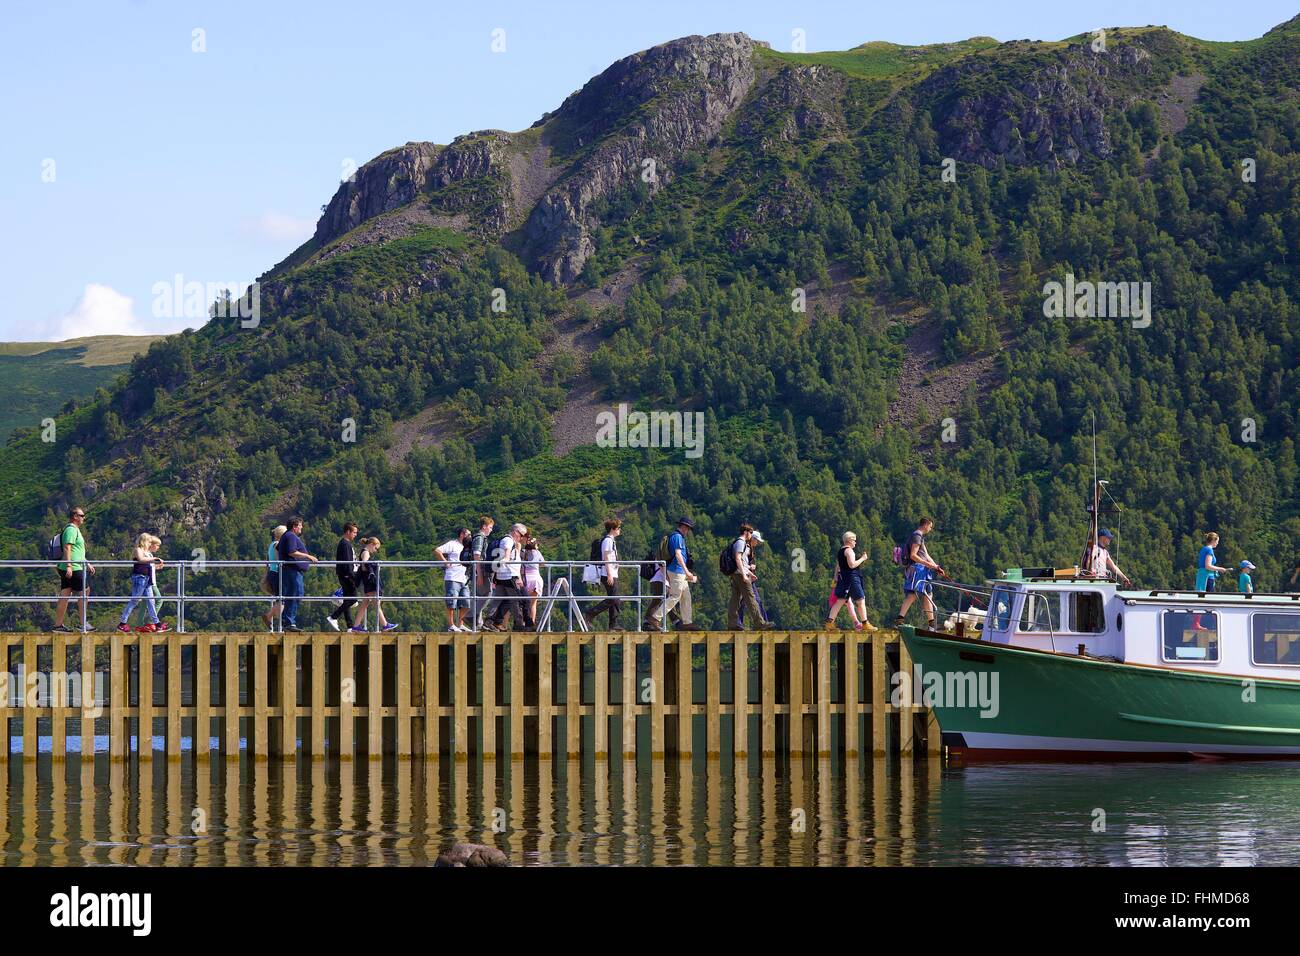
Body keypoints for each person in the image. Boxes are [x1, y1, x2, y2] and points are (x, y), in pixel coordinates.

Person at [646, 517, 699, 632]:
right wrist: (687, 572)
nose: (688, 531)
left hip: (678, 570)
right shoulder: (677, 537)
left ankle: (687, 622)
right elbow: (678, 555)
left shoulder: (675, 536)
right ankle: (655, 617)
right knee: (675, 596)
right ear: (683, 527)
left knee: (686, 596)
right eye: (688, 528)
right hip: (677, 570)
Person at [894, 518, 945, 629]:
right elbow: (913, 555)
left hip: (923, 570)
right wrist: (930, 565)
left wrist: (936, 567)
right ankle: (899, 620)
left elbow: (926, 555)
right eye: (930, 526)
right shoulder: (917, 536)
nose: (930, 529)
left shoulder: (919, 537)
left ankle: (931, 624)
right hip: (917, 569)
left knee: (928, 594)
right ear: (925, 525)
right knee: (913, 594)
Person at [53, 506, 96, 633]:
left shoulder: (73, 529)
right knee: (85, 592)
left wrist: (87, 563)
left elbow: (77, 552)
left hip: (73, 565)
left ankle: (58, 625)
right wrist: (69, 566)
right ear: (75, 516)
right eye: (82, 516)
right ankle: (83, 624)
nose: (84, 518)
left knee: (65, 594)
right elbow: (67, 548)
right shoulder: (71, 530)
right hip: (74, 568)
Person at [826, 532, 877, 631]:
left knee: (840, 601)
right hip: (852, 578)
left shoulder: (841, 551)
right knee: (861, 600)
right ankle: (865, 623)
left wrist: (836, 575)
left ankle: (829, 623)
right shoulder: (849, 551)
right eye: (854, 540)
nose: (855, 542)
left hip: (843, 578)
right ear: (849, 540)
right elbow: (852, 565)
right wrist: (862, 559)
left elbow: (839, 565)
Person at [485, 523, 531, 632]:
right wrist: (504, 561)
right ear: (515, 532)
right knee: (516, 600)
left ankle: (490, 622)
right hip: (509, 575)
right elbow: (506, 556)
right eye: (521, 535)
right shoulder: (508, 540)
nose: (521, 538)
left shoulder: (506, 540)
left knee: (500, 599)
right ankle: (519, 625)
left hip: (503, 574)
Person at [119, 533, 169, 633]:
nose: (150, 543)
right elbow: (141, 559)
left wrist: (156, 565)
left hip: (147, 579)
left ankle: (157, 624)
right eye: (149, 541)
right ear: (145, 541)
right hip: (140, 578)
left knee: (151, 602)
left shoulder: (147, 552)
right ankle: (122, 623)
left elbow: (148, 564)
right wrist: (154, 559)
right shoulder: (138, 549)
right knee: (134, 601)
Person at [727, 523, 773, 630]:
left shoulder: (739, 543)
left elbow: (742, 562)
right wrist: (744, 574)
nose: (751, 535)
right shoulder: (741, 543)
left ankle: (732, 624)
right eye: (750, 533)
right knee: (751, 598)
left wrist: (750, 573)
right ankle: (760, 623)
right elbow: (738, 559)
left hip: (736, 574)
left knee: (735, 599)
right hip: (740, 575)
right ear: (746, 532)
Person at [276, 516, 318, 632]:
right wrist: (308, 556)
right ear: (294, 527)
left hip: (290, 570)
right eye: (300, 525)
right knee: (296, 594)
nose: (301, 528)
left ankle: (287, 621)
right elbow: (292, 552)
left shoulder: (287, 536)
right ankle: (289, 622)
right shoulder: (290, 536)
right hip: (292, 571)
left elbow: (278, 548)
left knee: (293, 594)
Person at [584, 518, 624, 631]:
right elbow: (606, 557)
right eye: (618, 528)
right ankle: (590, 614)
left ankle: (613, 624)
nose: (619, 530)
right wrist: (610, 574)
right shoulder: (608, 541)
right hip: (607, 573)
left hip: (611, 572)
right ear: (613, 529)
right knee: (613, 598)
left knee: (615, 599)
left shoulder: (611, 541)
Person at [350, 537, 398, 632]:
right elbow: (364, 565)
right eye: (376, 548)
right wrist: (373, 567)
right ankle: (385, 624)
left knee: (365, 603)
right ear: (371, 544)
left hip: (367, 580)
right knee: (376, 603)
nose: (375, 551)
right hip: (370, 581)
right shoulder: (366, 552)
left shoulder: (364, 552)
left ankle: (356, 625)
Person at [435, 528, 473, 632]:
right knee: (451, 603)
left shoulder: (468, 547)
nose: (470, 537)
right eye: (468, 534)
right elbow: (438, 550)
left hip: (464, 578)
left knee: (466, 603)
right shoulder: (453, 544)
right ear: (462, 534)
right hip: (452, 577)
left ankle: (460, 624)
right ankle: (451, 625)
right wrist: (445, 562)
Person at [326, 522, 361, 631]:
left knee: (347, 600)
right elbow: (347, 563)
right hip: (347, 575)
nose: (355, 535)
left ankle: (350, 626)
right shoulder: (345, 544)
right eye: (354, 532)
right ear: (348, 532)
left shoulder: (345, 543)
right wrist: (352, 576)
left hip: (344, 575)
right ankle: (333, 616)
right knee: (353, 599)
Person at [1192, 532, 1230, 631]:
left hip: (1203, 576)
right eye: (1217, 541)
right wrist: (1220, 569)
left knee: (1203, 600)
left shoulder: (1204, 549)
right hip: (1207, 577)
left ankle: (1197, 622)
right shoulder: (1209, 550)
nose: (1217, 543)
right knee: (1210, 600)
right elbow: (1208, 565)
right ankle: (1217, 623)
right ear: (1213, 540)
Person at [470, 516, 496, 627]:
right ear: (484, 526)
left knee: (479, 596)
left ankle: (478, 623)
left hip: (478, 571)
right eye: (490, 527)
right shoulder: (480, 538)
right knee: (487, 593)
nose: (491, 529)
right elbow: (477, 556)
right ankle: (471, 615)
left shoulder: (479, 537)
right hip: (480, 571)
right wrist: (480, 575)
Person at [260, 525, 287, 630]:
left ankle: (274, 618)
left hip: (272, 572)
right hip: (277, 573)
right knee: (282, 599)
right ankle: (270, 616)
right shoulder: (279, 545)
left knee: (280, 599)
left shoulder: (272, 544)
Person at [521, 534, 545, 626]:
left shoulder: (522, 552)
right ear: (535, 545)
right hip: (535, 578)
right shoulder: (537, 553)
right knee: (533, 604)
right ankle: (531, 623)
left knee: (523, 603)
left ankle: (523, 622)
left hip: (525, 579)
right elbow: (543, 564)